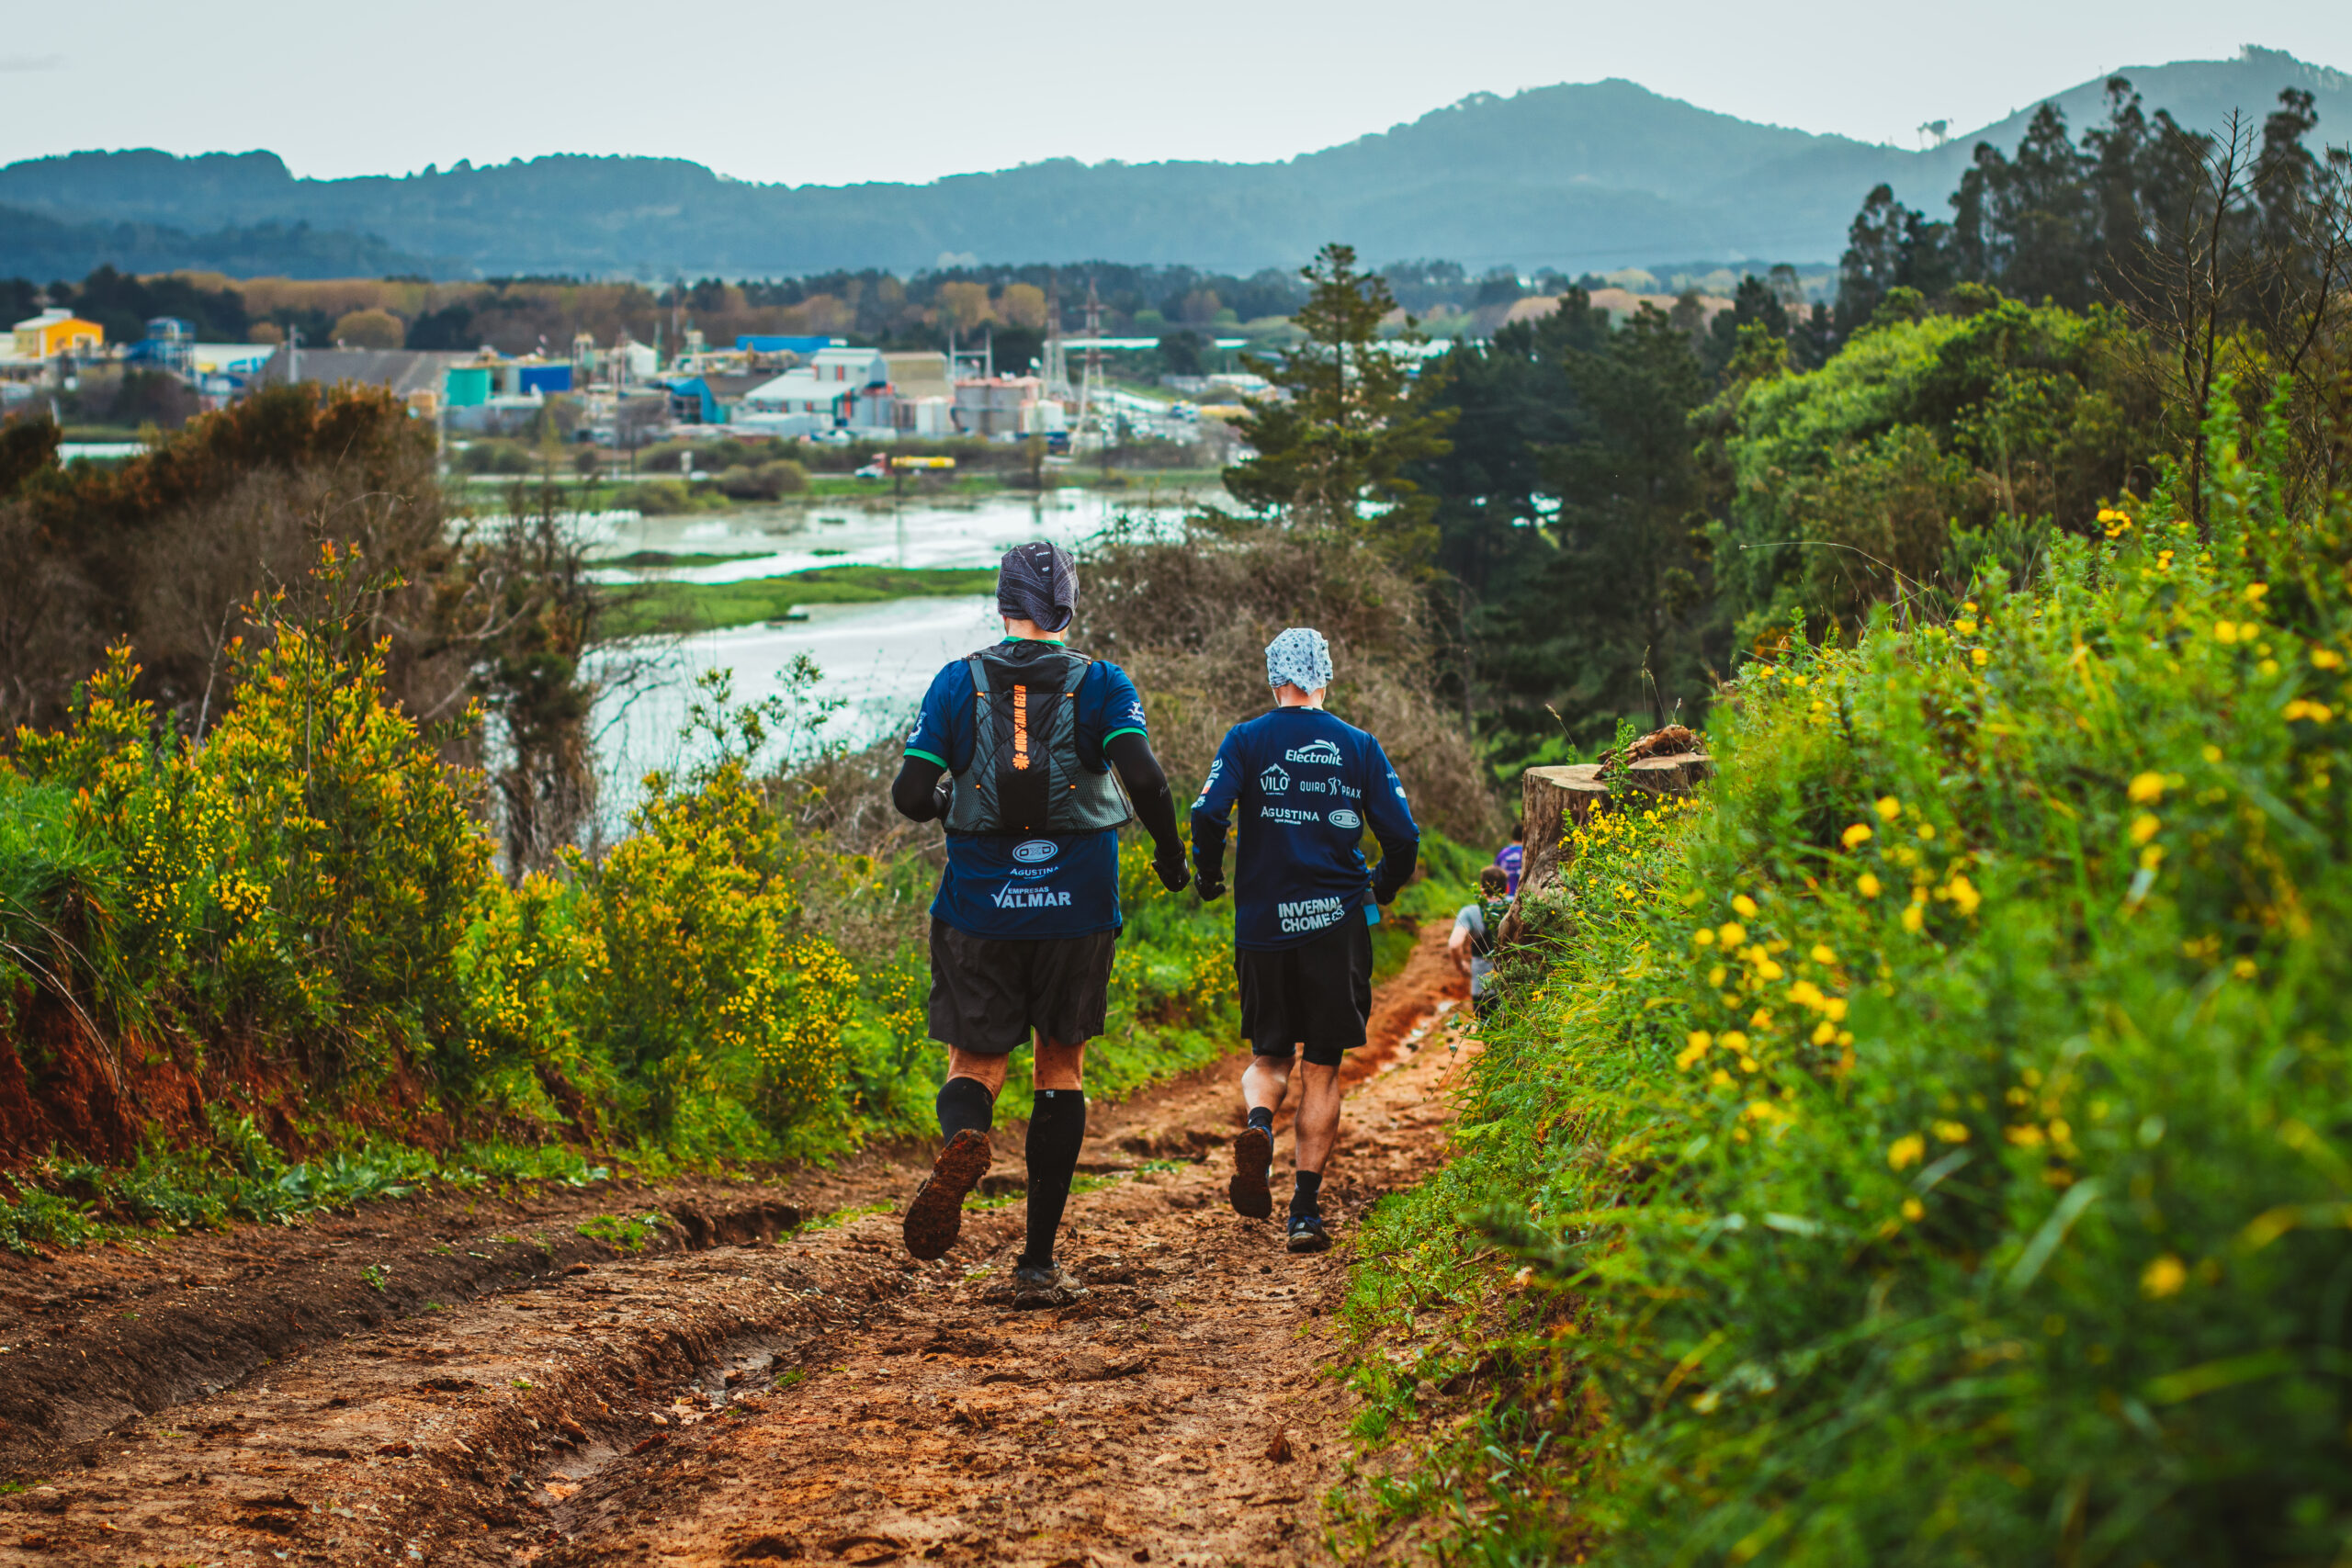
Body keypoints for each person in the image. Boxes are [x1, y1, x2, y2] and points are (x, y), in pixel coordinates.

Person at [888, 541, 1190, 1300]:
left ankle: (966, 1134)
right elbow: (1145, 777)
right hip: (1077, 905)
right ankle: (1036, 1263)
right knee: (1060, 1069)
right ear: (1070, 605)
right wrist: (1173, 857)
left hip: (980, 905)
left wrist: (941, 805)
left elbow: (909, 789)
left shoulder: (958, 682)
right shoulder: (1103, 683)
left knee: (975, 1065)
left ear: (1002, 602)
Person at [1191, 627, 1419, 1254]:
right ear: (1325, 677)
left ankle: (1259, 1124)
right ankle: (1304, 1211)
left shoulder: (1245, 739)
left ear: (1273, 679)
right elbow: (1404, 836)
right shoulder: (1359, 745)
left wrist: (1209, 874)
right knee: (1321, 1067)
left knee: (1268, 1058)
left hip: (1263, 924)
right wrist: (1384, 885)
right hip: (1336, 925)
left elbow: (1207, 812)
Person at [1449, 865, 1512, 1021]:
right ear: (1507, 888)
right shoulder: (1515, 905)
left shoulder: (1471, 912)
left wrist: (1461, 965)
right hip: (1516, 986)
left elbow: (1454, 944)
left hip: (1484, 990)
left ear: (1482, 890)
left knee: (1490, 1037)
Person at [1495, 819, 1525, 897]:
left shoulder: (1502, 853)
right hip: (1522, 897)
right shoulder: (1527, 853)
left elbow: (1494, 875)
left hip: (1504, 898)